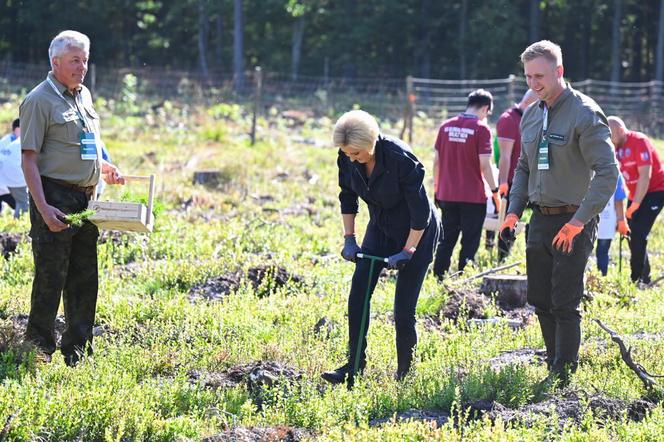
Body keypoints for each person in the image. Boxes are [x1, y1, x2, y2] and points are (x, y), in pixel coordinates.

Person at [500, 40, 618, 386]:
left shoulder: (584, 113)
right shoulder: (533, 114)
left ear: (559, 72)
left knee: (565, 301)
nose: (534, 84)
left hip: (573, 219)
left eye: (540, 76)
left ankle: (563, 374)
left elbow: (608, 173)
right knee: (540, 298)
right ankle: (553, 361)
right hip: (539, 218)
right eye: (528, 77)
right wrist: (513, 212)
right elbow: (523, 167)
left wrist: (579, 222)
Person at [20, 30, 125, 366]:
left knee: (84, 275)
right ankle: (37, 350)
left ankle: (78, 350)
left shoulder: (83, 96)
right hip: (54, 195)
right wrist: (43, 207)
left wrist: (105, 167)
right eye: (75, 61)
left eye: (85, 60)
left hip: (86, 200)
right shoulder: (39, 100)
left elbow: (84, 144)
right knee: (52, 275)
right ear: (56, 63)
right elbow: (29, 159)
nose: (82, 67)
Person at [322, 110, 440, 387]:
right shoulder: (347, 157)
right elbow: (348, 197)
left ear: (371, 142)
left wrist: (408, 251)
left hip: (417, 232)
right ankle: (353, 366)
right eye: (347, 153)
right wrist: (349, 238)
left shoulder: (400, 159)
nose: (351, 158)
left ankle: (404, 374)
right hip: (381, 226)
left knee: (403, 310)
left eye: (356, 154)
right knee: (358, 295)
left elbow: (420, 212)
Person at [432, 89, 499, 278]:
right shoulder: (481, 129)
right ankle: (463, 278)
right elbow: (485, 165)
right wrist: (494, 191)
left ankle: (439, 276)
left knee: (446, 239)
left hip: (447, 194)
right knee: (470, 240)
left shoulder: (445, 126)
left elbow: (436, 162)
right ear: (486, 109)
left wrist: (437, 189)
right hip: (473, 196)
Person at [608, 116, 664, 284]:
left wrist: (635, 206)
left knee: (639, 232)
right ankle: (643, 275)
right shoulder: (615, 148)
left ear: (619, 130)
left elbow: (645, 177)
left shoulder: (639, 141)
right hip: (635, 194)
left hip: (655, 191)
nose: (608, 138)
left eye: (610, 134)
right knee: (632, 234)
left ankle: (638, 279)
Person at [493, 90, 538, 259]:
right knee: (508, 221)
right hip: (513, 182)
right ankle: (502, 257)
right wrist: (503, 182)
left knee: (536, 221)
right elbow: (504, 155)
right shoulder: (509, 120)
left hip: (534, 180)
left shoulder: (534, 118)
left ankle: (533, 256)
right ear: (529, 104)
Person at [595, 174, 629, 276]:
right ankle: (601, 275)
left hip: (598, 217)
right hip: (606, 218)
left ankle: (600, 277)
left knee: (595, 249)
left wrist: (621, 221)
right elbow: (619, 200)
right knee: (603, 250)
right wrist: (621, 220)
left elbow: (618, 199)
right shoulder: (616, 172)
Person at [0, 119, 29, 217]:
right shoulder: (7, 142)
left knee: (20, 204)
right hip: (8, 182)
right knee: (23, 205)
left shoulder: (17, 141)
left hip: (8, 183)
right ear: (16, 129)